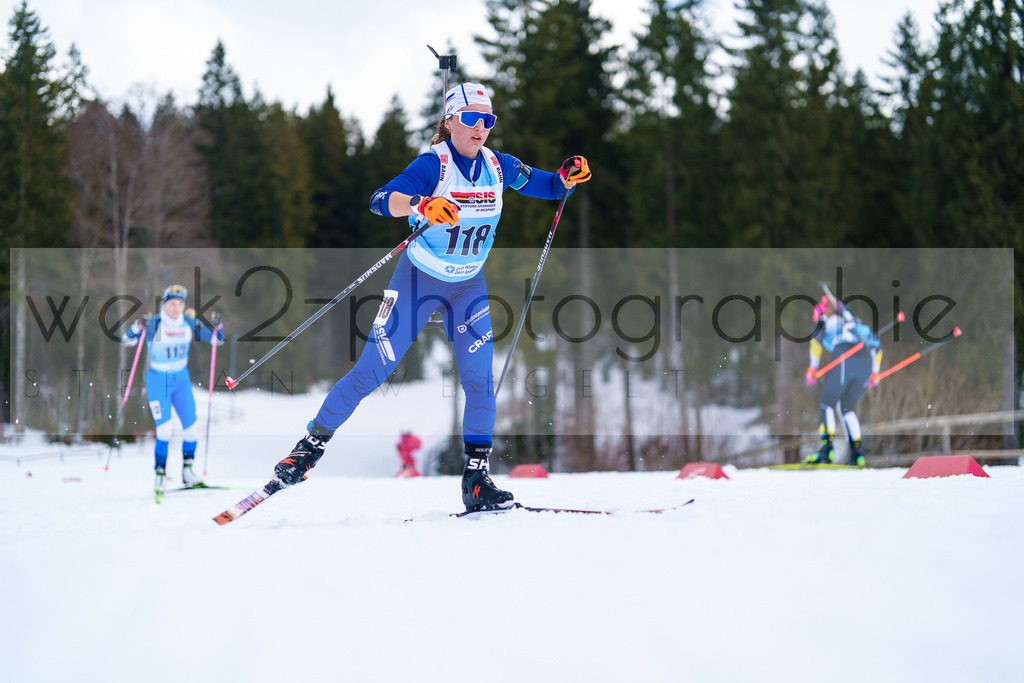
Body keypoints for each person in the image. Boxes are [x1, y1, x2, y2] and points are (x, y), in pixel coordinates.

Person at [272, 82, 591, 511]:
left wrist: (567, 176)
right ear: (451, 120)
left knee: (480, 382)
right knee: (371, 371)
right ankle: (307, 450)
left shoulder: (499, 166)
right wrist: (421, 205)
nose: (481, 128)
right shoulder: (432, 165)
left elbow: (550, 186)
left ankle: (476, 480)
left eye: (488, 120)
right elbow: (380, 200)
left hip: (468, 287)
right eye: (472, 118)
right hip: (418, 281)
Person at [121, 284, 225, 493]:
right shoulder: (155, 323)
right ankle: (160, 474)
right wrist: (137, 326)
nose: (176, 308)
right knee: (165, 429)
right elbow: (126, 340)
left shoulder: (188, 321)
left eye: (180, 304)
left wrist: (218, 326)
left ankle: (188, 472)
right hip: (158, 380)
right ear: (164, 304)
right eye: (172, 304)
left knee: (191, 427)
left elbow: (217, 340)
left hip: (181, 380)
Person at [804, 296, 882, 467]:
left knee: (826, 404)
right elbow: (877, 346)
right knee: (846, 408)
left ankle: (826, 450)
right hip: (866, 363)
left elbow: (816, 341)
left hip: (845, 357)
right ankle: (857, 453)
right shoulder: (855, 323)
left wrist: (812, 369)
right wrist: (875, 372)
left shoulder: (824, 320)